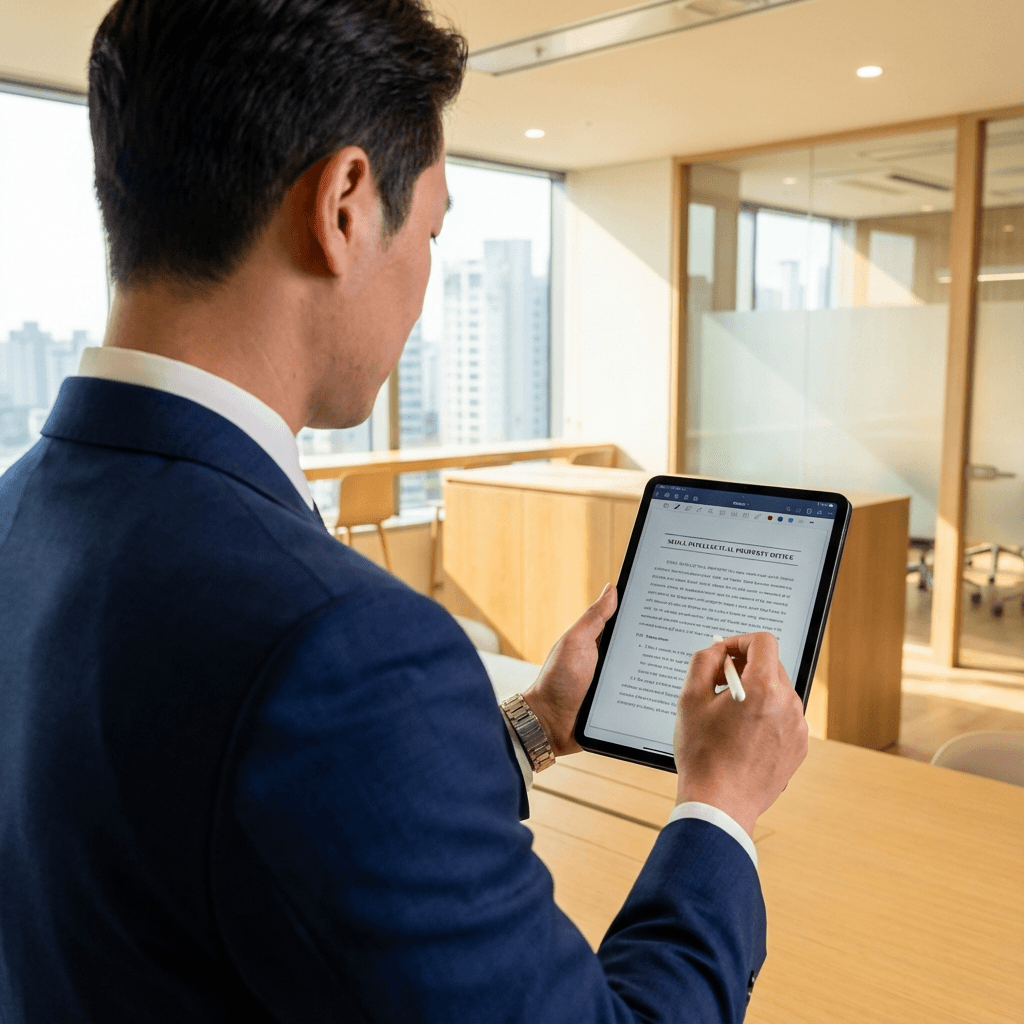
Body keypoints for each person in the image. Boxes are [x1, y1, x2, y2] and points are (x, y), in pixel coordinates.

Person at [0, 0, 808, 1020]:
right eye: (429, 229)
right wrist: (717, 806)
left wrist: (534, 726)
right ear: (343, 205)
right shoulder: (342, 642)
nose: (424, 281)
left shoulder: (18, 517)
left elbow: (226, 832)